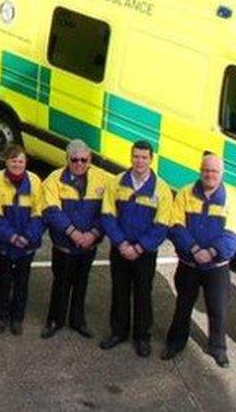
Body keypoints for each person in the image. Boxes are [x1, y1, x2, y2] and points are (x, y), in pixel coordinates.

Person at [99, 140, 172, 358]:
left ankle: (142, 337)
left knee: (143, 295)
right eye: (136, 157)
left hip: (144, 253)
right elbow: (107, 216)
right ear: (131, 157)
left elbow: (162, 226)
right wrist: (121, 243)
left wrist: (139, 247)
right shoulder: (116, 183)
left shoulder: (162, 190)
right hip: (120, 249)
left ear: (151, 159)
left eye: (144, 157)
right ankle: (118, 332)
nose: (139, 161)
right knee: (119, 292)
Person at [162, 153, 236, 367]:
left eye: (214, 171)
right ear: (200, 170)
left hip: (217, 267)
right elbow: (175, 226)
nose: (209, 174)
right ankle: (175, 343)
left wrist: (211, 252)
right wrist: (194, 249)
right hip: (189, 264)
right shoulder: (185, 192)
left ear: (221, 174)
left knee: (218, 309)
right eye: (206, 170)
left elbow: (232, 235)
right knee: (183, 306)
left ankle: (218, 348)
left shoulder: (231, 197)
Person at [41, 140, 107, 340]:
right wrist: (74, 233)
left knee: (81, 283)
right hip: (64, 246)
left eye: (83, 160)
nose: (79, 163)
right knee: (61, 283)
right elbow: (52, 210)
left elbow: (108, 211)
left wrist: (93, 234)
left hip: (89, 245)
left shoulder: (102, 179)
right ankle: (55, 320)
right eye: (74, 159)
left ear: (90, 159)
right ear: (67, 159)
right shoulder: (54, 179)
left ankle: (78, 320)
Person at [0, 144, 44, 336]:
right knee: (4, 280)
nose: (17, 164)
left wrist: (27, 237)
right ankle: (1, 317)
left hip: (27, 245)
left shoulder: (35, 181)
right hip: (3, 245)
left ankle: (17, 319)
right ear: (6, 161)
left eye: (21, 161)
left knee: (22, 282)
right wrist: (12, 236)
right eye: (13, 160)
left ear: (26, 162)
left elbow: (39, 214)